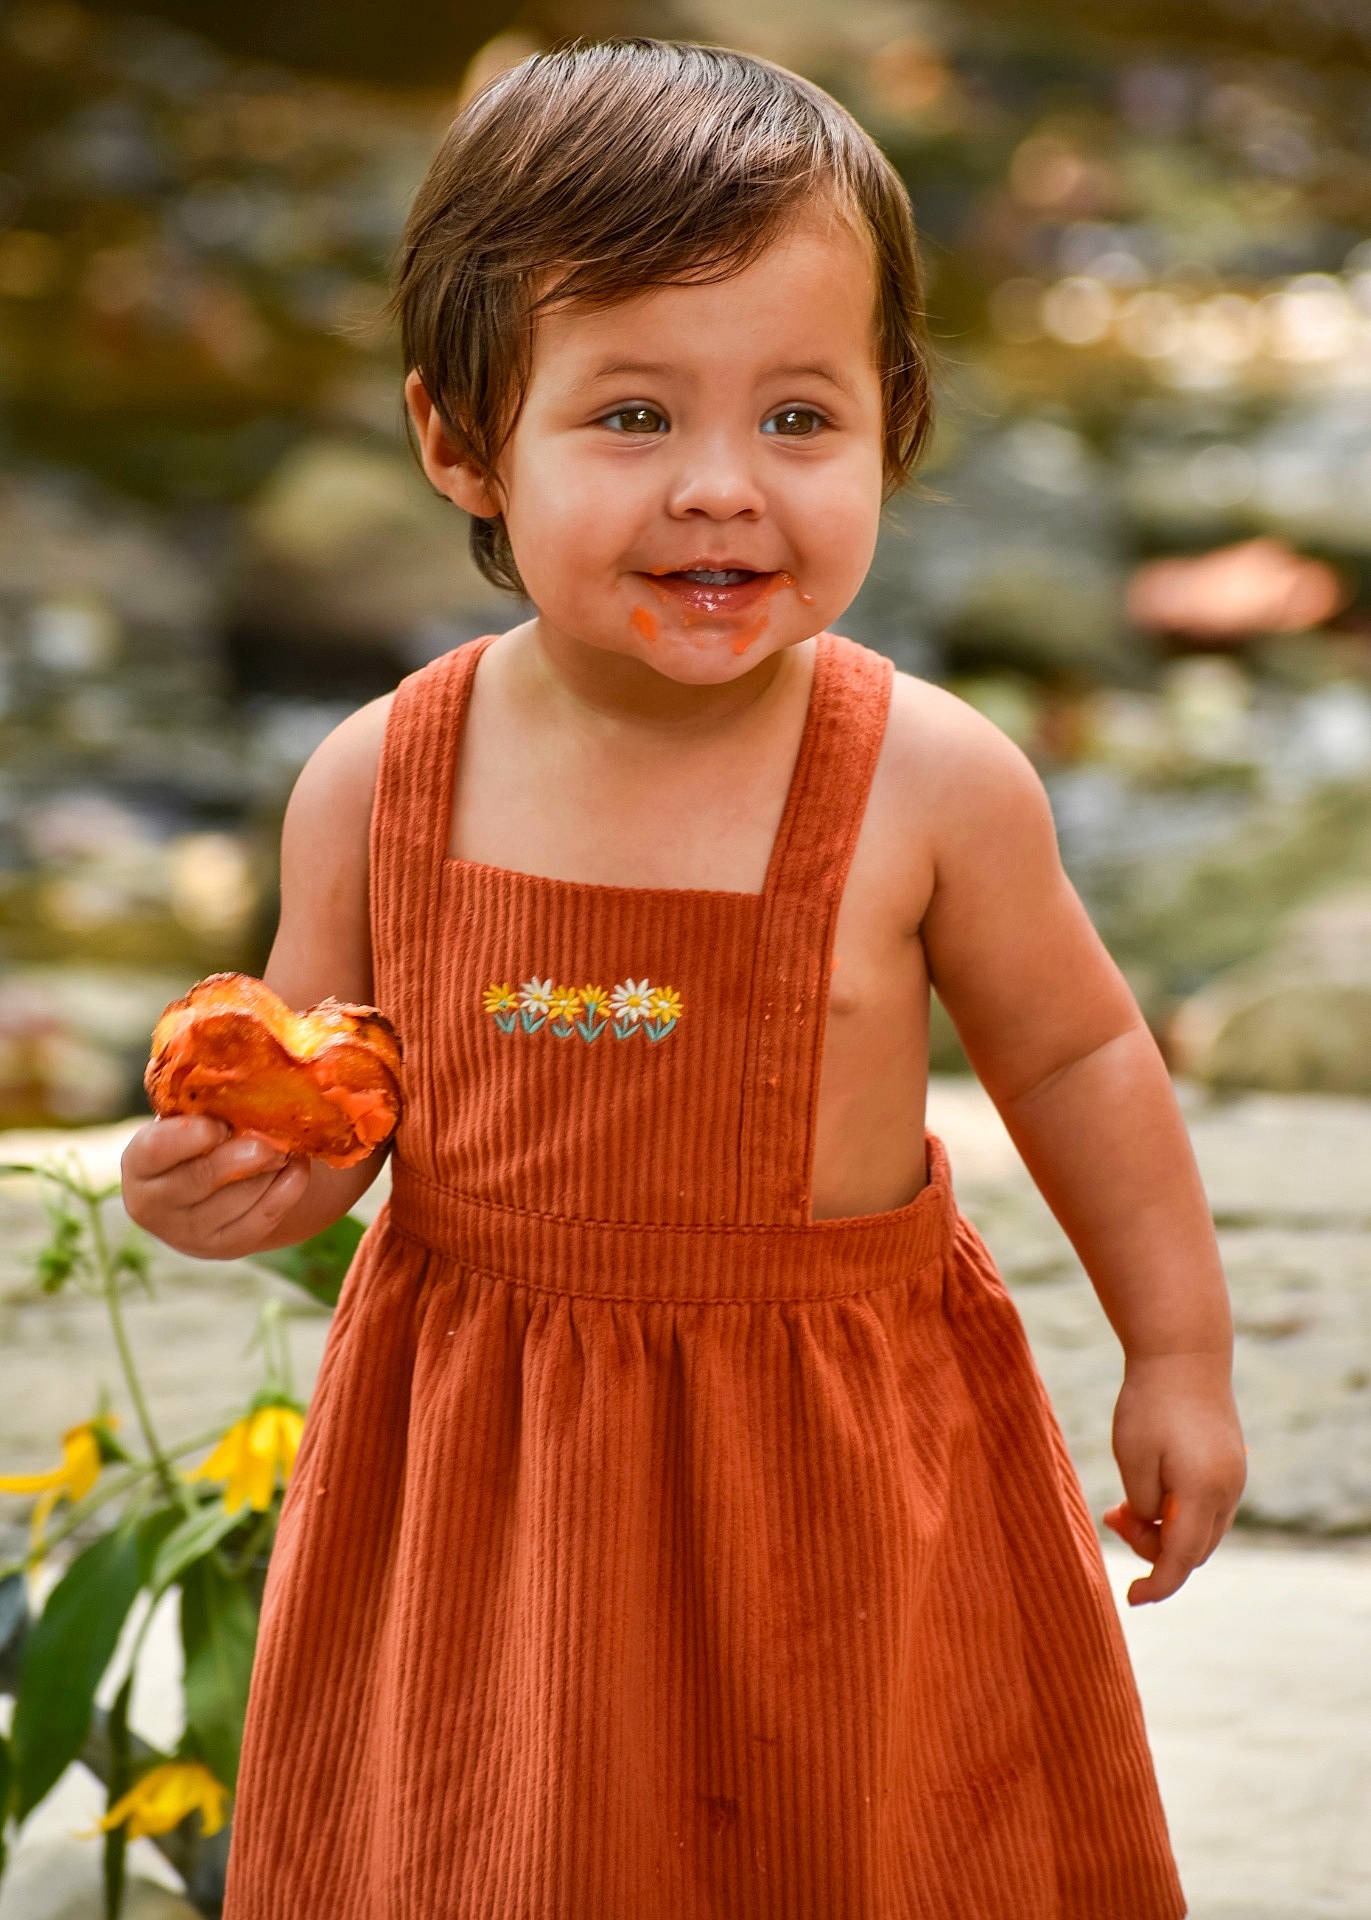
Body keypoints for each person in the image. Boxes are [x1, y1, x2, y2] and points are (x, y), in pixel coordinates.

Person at [121, 36, 1245, 1918]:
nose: (722, 489)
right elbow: (331, 1106)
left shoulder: (927, 781)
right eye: (632, 417)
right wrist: (244, 1188)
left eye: (798, 419)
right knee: (510, 1841)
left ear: (889, 423)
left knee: (859, 1838)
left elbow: (1079, 1058)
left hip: (829, 1468)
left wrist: (1184, 1355)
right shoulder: (378, 782)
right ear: (460, 436)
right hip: (493, 1471)